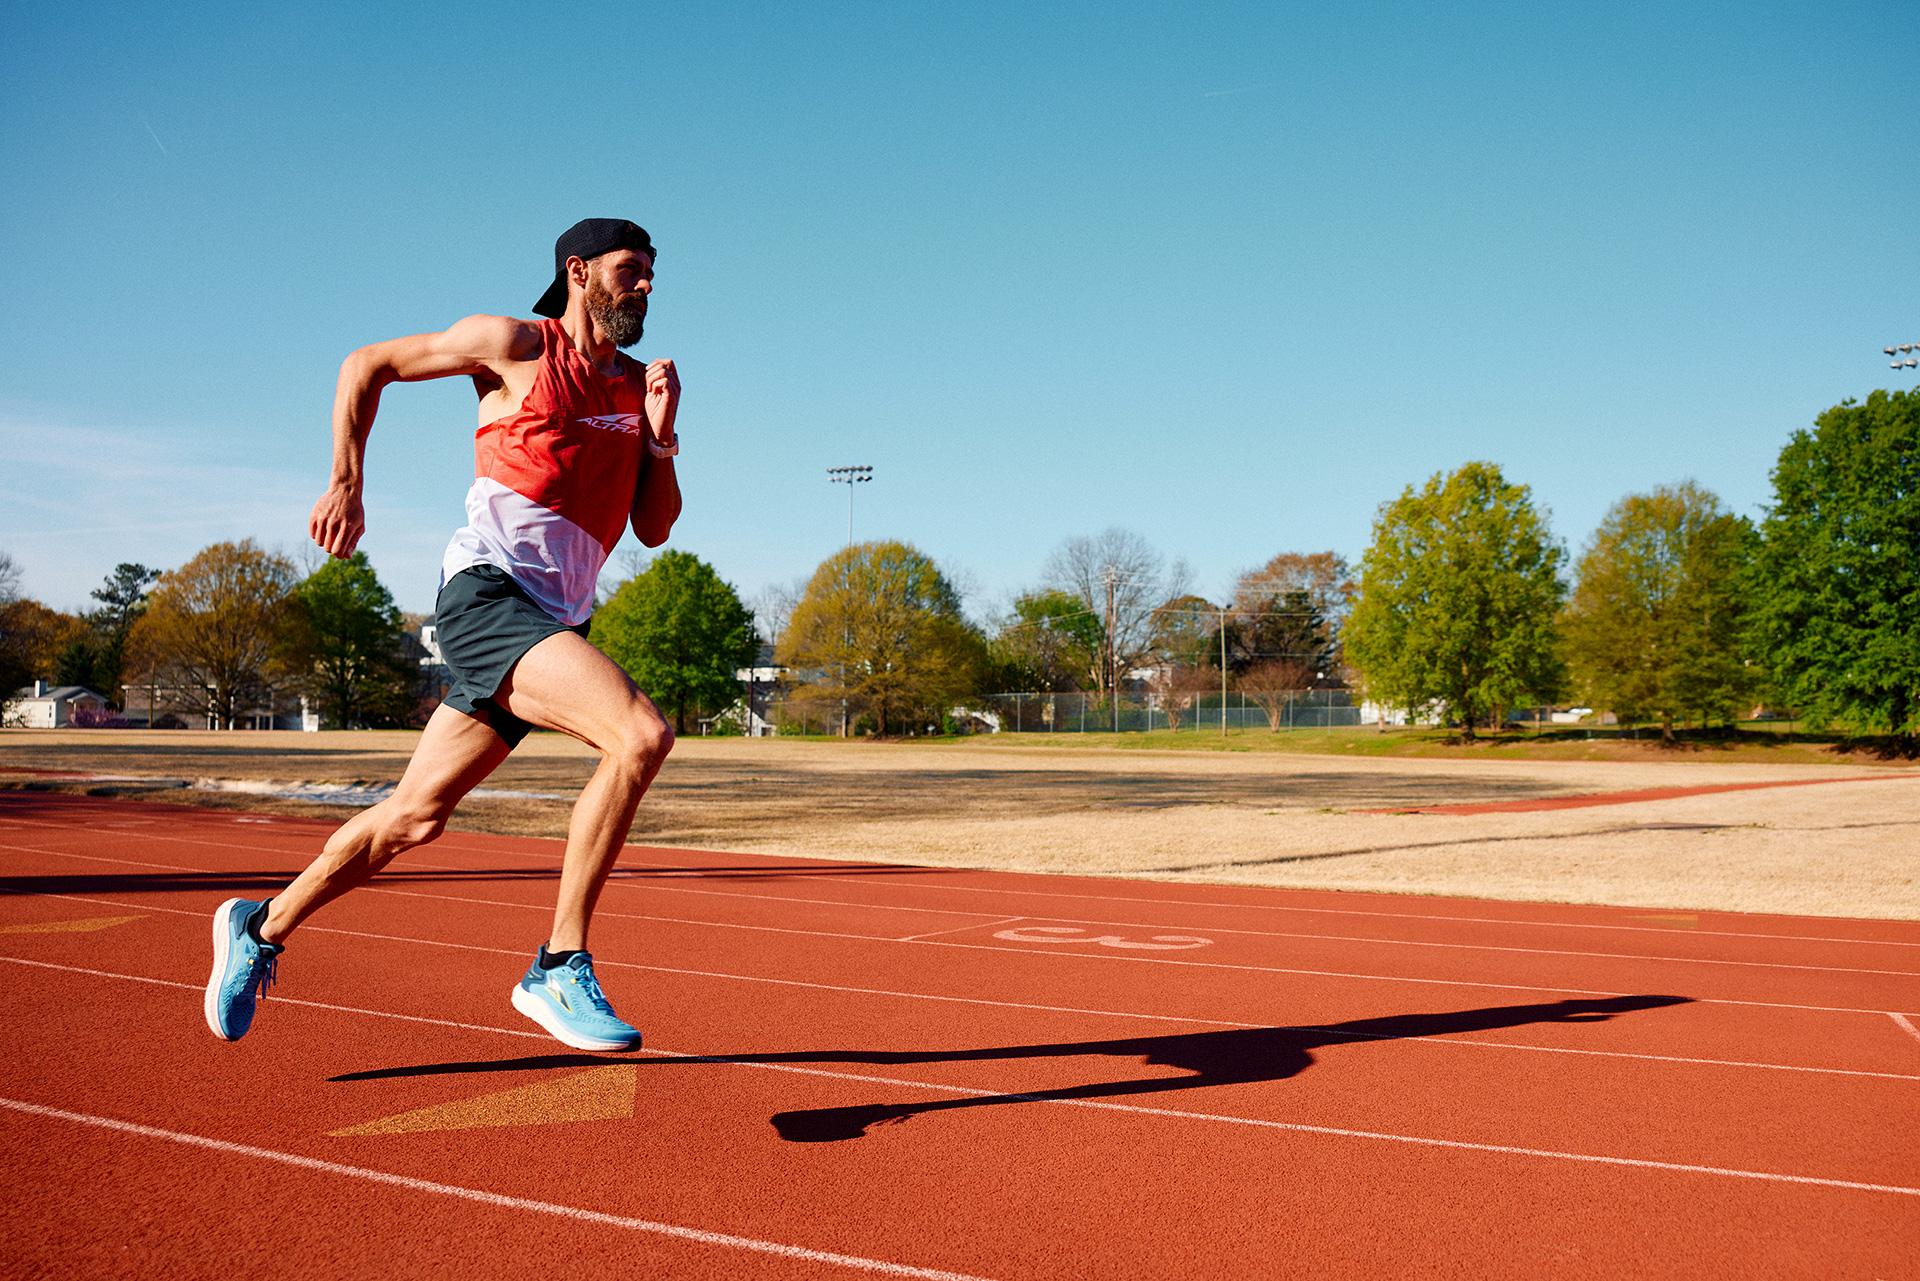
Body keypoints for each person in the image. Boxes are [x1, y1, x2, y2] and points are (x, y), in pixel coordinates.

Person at [204, 218, 681, 1052]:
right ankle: (559, 962)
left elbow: (653, 528)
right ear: (579, 272)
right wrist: (346, 482)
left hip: (552, 620)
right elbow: (367, 364)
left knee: (413, 817)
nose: (645, 286)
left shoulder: (638, 384)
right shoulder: (514, 345)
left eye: (651, 275)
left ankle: (261, 925)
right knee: (640, 735)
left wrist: (662, 434)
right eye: (628, 271)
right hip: (487, 598)